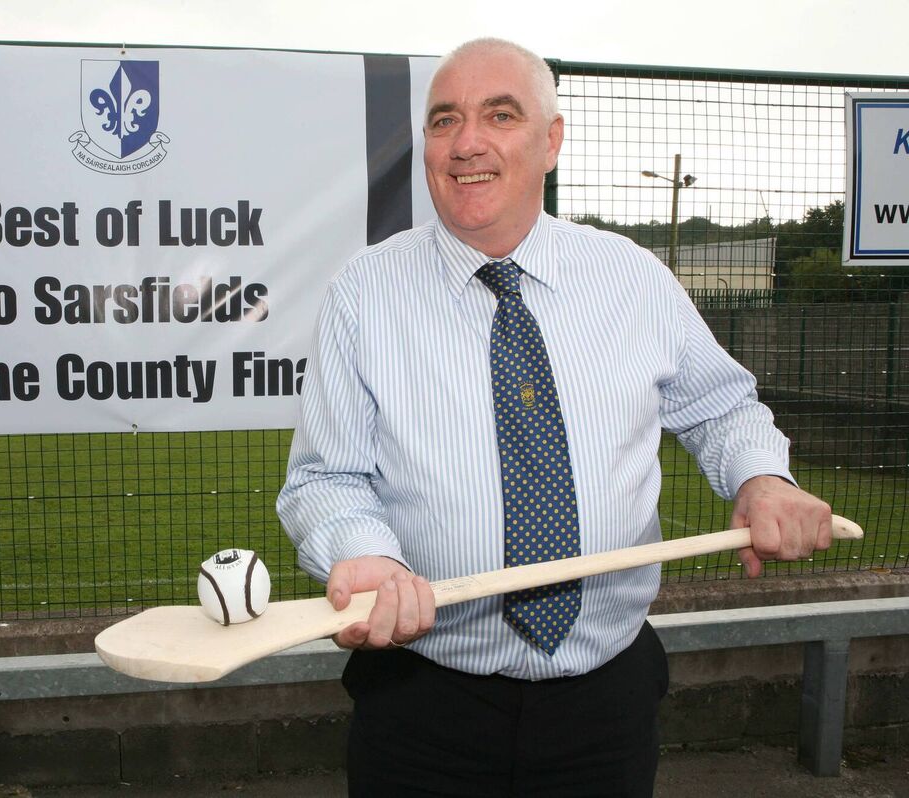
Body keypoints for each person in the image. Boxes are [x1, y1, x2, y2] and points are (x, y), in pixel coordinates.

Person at [276, 37, 836, 797]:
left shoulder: (633, 279)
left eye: (499, 115)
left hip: (605, 703)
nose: (467, 141)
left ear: (551, 141)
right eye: (444, 121)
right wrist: (367, 554)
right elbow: (326, 478)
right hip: (421, 705)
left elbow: (721, 406)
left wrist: (763, 479)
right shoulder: (363, 295)